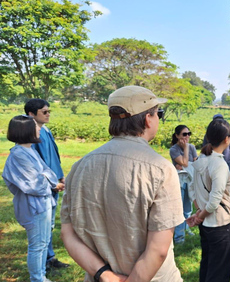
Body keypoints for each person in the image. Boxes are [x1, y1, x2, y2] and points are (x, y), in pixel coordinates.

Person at [60, 85, 184, 282]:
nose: (159, 118)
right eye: (158, 113)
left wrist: (104, 274)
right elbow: (158, 249)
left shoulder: (79, 167)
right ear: (147, 119)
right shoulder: (161, 169)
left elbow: (67, 233)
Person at [2, 115, 59, 282]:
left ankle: (41, 275)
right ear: (25, 130)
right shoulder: (19, 154)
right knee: (37, 245)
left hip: (43, 203)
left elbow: (49, 174)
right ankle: (37, 278)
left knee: (44, 241)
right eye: (35, 126)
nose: (39, 128)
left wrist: (47, 179)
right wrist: (48, 180)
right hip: (34, 206)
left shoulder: (30, 150)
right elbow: (35, 185)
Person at [187, 118, 230, 282]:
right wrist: (200, 215)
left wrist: (199, 212)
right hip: (220, 225)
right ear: (226, 139)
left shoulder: (200, 160)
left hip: (206, 225)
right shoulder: (220, 164)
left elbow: (192, 190)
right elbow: (215, 200)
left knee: (208, 265)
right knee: (219, 272)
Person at [24, 98, 70, 271]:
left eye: (49, 111)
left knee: (49, 224)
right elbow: (36, 165)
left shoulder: (45, 130)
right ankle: (42, 264)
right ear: (31, 114)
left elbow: (53, 156)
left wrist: (60, 176)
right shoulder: (29, 134)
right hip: (44, 186)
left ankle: (49, 258)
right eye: (44, 111)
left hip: (54, 182)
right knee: (42, 225)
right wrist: (51, 183)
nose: (48, 114)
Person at [170, 124, 198, 244]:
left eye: (188, 134)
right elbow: (186, 163)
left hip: (191, 180)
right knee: (179, 209)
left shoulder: (192, 147)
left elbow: (196, 163)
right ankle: (179, 237)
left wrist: (184, 163)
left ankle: (186, 228)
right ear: (177, 136)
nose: (187, 137)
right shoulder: (174, 149)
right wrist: (186, 148)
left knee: (188, 208)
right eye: (184, 134)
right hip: (180, 181)